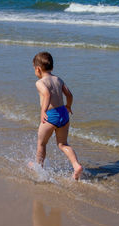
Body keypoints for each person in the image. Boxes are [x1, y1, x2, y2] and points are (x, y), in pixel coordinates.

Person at [32, 51, 83, 180]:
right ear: (52, 67)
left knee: (41, 144)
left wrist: (43, 111)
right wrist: (69, 106)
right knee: (63, 144)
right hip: (64, 114)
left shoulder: (40, 83)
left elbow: (47, 94)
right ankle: (76, 165)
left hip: (51, 115)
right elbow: (69, 95)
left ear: (38, 69)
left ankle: (39, 168)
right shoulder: (58, 79)